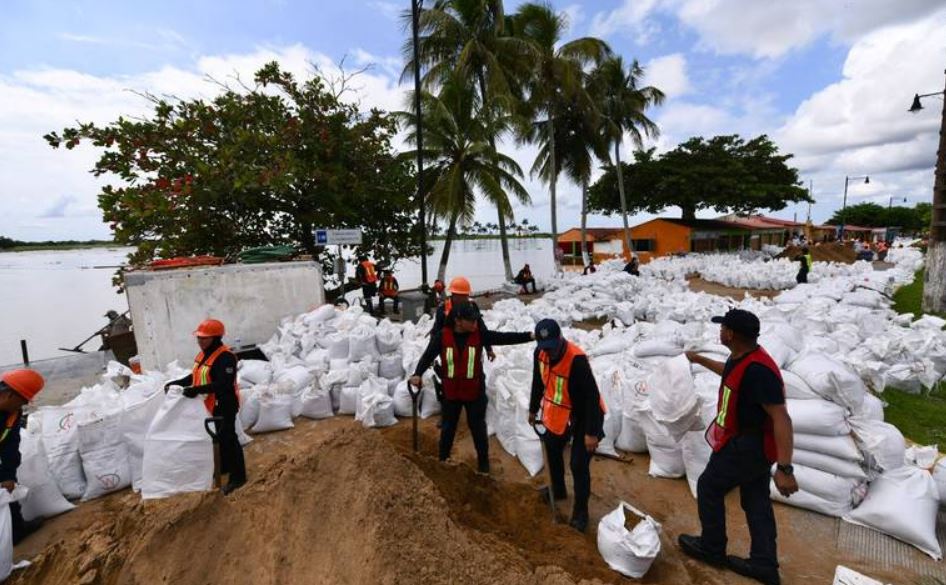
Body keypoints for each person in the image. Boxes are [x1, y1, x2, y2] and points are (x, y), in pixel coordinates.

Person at [679, 309, 797, 585]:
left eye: (722, 328)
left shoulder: (759, 371)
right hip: (749, 444)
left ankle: (712, 548)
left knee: (709, 486)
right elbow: (730, 373)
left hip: (747, 446)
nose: (719, 332)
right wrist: (698, 359)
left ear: (730, 334)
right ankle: (764, 564)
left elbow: (782, 418)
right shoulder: (744, 357)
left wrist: (785, 468)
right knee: (755, 501)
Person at [409, 302, 534, 474]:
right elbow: (428, 355)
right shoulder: (442, 336)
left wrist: (530, 336)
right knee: (448, 429)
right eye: (472, 321)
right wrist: (417, 373)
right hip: (451, 393)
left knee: (478, 429)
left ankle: (483, 465)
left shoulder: (479, 335)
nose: (476, 324)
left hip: (474, 392)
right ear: (458, 321)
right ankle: (442, 461)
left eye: (477, 320)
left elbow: (503, 338)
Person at [528, 319, 605, 533]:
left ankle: (581, 513)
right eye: (545, 348)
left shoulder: (576, 359)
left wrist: (591, 433)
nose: (549, 352)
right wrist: (533, 409)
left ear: (560, 339)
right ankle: (558, 490)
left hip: (585, 415)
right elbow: (537, 381)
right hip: (560, 412)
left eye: (552, 347)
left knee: (579, 464)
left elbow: (592, 397)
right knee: (552, 450)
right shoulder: (540, 354)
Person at [166, 319, 247, 495]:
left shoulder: (225, 357)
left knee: (229, 438)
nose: (200, 341)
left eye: (204, 338)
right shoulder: (204, 355)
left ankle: (239, 477)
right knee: (218, 439)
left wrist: (196, 390)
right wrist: (177, 383)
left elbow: (223, 383)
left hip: (225, 404)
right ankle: (224, 467)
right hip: (210, 405)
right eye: (199, 337)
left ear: (216, 338)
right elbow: (195, 375)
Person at [0, 368, 46, 545]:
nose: (23, 406)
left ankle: (17, 530)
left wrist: (8, 476)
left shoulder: (13, 413)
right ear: (9, 395)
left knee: (7, 488)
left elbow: (10, 446)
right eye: (23, 401)